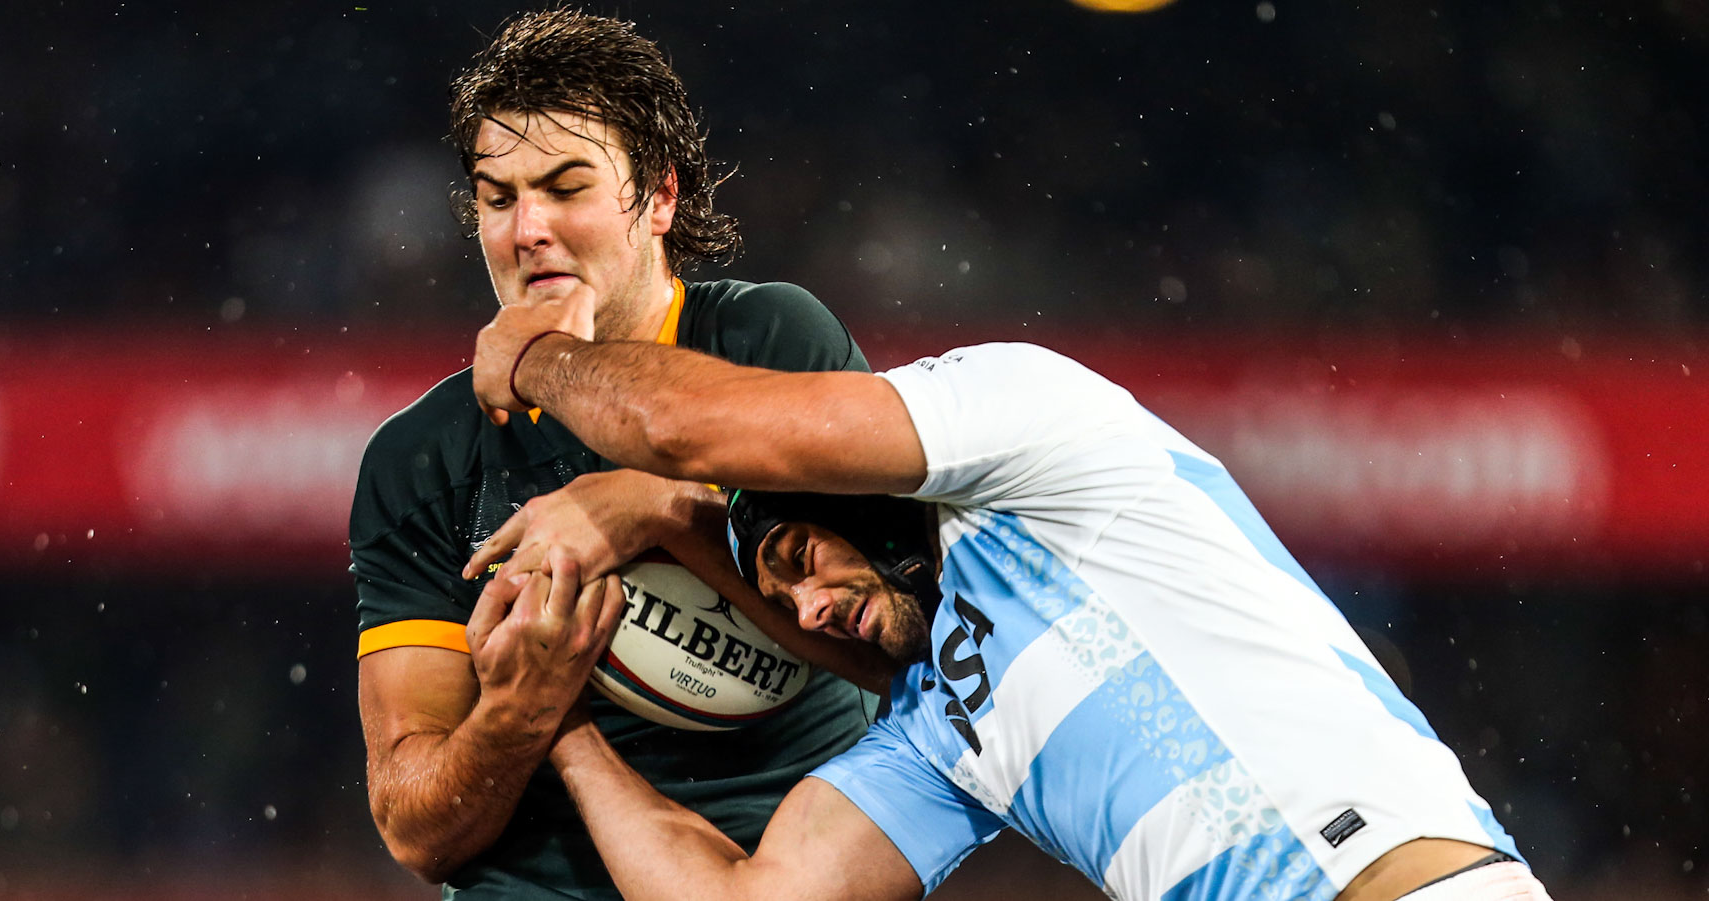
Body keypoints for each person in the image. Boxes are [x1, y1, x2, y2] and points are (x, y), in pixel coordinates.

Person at [460, 294, 1555, 900]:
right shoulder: (944, 728)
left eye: (798, 555)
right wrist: (557, 725)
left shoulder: (1037, 429)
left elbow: (684, 431)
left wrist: (544, 361)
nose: (800, 610)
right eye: (776, 591)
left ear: (861, 495)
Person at [348, 11, 882, 898]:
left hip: (785, 867)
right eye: (499, 197)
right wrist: (523, 713)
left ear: (660, 197)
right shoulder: (423, 458)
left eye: (566, 187)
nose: (528, 229)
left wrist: (660, 510)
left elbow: (888, 646)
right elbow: (415, 828)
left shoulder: (771, 343)